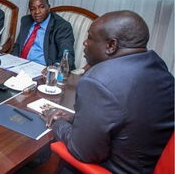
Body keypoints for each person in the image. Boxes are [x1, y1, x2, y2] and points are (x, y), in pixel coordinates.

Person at [44, 11, 174, 173]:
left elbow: (83, 152)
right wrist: (74, 118)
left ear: (111, 45)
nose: (84, 43)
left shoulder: (98, 80)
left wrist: (57, 123)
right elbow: (126, 118)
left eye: (90, 37)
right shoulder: (158, 67)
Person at [11, 0, 75, 69]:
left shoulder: (61, 27)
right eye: (32, 9)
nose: (37, 12)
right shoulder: (26, 21)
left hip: (44, 69)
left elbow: (67, 57)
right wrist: (12, 60)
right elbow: (18, 46)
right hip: (20, 65)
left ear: (49, 7)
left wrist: (52, 69)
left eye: (42, 7)